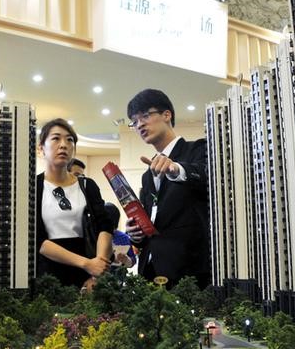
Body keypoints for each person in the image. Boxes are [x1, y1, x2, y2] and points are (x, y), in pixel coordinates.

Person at [125, 88, 210, 288]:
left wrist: (175, 169)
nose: (140, 124)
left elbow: (207, 176)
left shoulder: (197, 149)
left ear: (167, 115)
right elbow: (154, 220)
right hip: (151, 271)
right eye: (135, 121)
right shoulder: (148, 176)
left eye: (145, 115)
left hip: (190, 271)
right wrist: (135, 232)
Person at [36, 118, 114, 288]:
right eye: (56, 138)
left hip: (88, 275)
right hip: (48, 274)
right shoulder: (33, 187)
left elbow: (104, 227)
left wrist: (97, 271)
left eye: (69, 140)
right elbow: (37, 240)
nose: (63, 144)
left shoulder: (87, 185)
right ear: (41, 148)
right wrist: (86, 264)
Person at [103, 202, 136, 268]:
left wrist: (126, 260)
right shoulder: (92, 236)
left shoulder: (124, 238)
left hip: (118, 276)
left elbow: (133, 261)